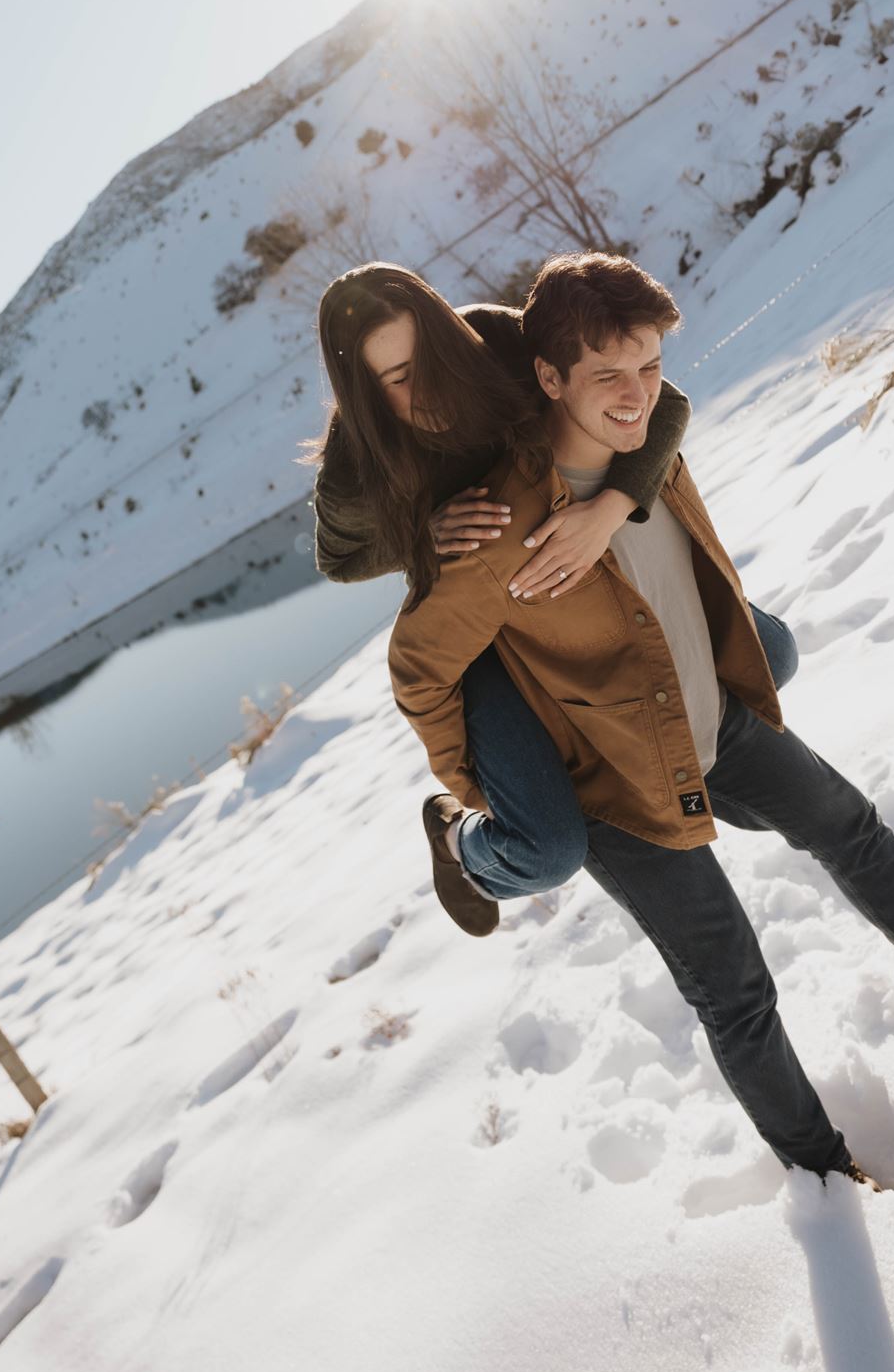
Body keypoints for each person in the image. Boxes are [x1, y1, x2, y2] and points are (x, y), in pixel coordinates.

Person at [386, 249, 894, 1183]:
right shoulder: (502, 525)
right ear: (548, 376)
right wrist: (488, 791)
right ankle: (821, 1171)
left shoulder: (649, 455)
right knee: (734, 987)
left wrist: (615, 498)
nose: (637, 393)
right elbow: (418, 666)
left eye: (648, 366)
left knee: (846, 822)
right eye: (607, 374)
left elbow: (654, 430)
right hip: (615, 787)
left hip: (710, 720)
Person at [310, 261, 798, 935]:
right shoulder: (352, 469)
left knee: (770, 656)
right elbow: (338, 560)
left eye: (430, 356)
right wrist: (422, 534)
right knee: (547, 851)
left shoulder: (497, 340)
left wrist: (610, 510)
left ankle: (683, 766)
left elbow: (668, 405)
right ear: (367, 393)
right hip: (483, 629)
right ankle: (460, 847)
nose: (426, 385)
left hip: (575, 565)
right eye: (397, 379)